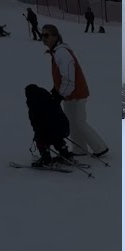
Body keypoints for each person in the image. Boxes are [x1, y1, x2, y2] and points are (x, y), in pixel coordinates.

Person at [41, 24, 109, 157]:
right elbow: (60, 77)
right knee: (71, 121)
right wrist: (56, 91)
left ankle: (100, 148)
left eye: (46, 35)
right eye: (42, 35)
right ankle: (80, 149)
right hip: (69, 94)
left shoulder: (61, 52)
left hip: (77, 93)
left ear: (55, 36)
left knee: (79, 121)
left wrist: (60, 94)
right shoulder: (56, 52)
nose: (43, 38)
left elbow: (69, 77)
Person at [24, 84, 72, 167]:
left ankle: (46, 159)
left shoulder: (34, 107)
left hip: (53, 131)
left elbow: (36, 124)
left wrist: (37, 135)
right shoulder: (51, 98)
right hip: (64, 128)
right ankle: (66, 155)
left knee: (41, 138)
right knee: (56, 136)